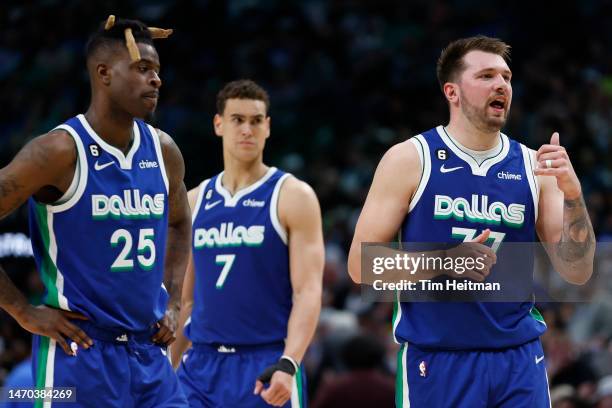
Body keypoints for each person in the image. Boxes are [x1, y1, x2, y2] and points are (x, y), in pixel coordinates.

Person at [348, 35, 595, 407]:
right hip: (439, 359)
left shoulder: (534, 166)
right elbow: (360, 266)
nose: (501, 85)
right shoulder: (411, 159)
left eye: (507, 77)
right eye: (486, 76)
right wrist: (445, 261)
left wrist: (574, 195)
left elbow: (577, 270)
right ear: (453, 91)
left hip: (519, 359)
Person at [0, 16, 190, 407]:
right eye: (142, 69)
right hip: (79, 356)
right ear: (103, 74)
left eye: (157, 71)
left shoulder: (164, 150)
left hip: (149, 355)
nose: (156, 80)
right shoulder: (56, 152)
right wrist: (21, 311)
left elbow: (180, 222)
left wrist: (172, 302)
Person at [171, 79, 324, 407]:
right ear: (218, 124)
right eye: (237, 120)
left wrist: (290, 362)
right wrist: (166, 369)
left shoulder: (293, 196)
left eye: (256, 121)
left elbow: (308, 291)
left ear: (267, 127)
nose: (247, 130)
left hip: (266, 363)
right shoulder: (195, 200)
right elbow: (187, 303)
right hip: (200, 366)